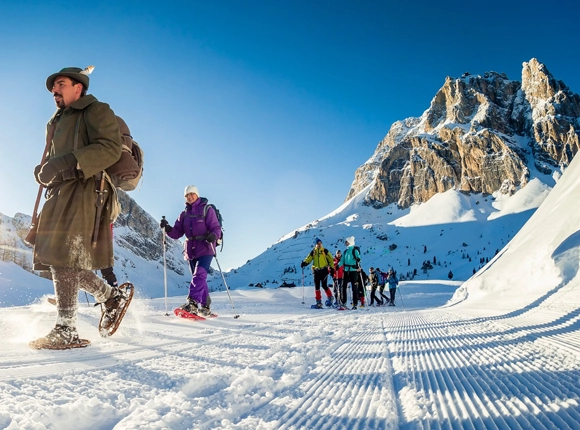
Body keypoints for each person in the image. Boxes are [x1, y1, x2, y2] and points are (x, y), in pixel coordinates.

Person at [30, 66, 128, 350]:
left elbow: (110, 148)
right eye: (52, 89)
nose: (54, 91)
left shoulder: (95, 109)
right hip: (61, 191)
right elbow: (56, 159)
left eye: (60, 84)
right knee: (58, 257)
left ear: (78, 87)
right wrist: (45, 170)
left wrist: (63, 163)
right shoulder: (57, 121)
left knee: (63, 255)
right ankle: (110, 298)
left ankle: (66, 329)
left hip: (87, 189)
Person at [160, 185, 221, 316]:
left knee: (199, 274)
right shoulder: (184, 214)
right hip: (191, 250)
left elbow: (216, 227)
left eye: (192, 194)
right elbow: (177, 233)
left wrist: (214, 235)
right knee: (198, 277)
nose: (190, 197)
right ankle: (205, 306)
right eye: (187, 195)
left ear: (197, 195)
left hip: (206, 246)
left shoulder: (207, 209)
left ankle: (192, 302)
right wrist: (168, 228)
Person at [300, 238, 335, 308]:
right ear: (315, 244)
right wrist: (304, 263)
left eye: (320, 243)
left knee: (324, 285)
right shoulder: (313, 252)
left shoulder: (325, 251)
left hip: (324, 270)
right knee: (317, 287)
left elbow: (331, 259)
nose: (319, 245)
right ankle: (318, 303)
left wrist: (332, 268)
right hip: (316, 271)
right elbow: (308, 258)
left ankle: (330, 297)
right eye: (318, 243)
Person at [337, 236, 361, 310]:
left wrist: (358, 259)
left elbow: (359, 259)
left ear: (350, 242)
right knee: (343, 287)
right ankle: (343, 302)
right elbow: (342, 260)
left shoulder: (354, 251)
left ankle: (355, 303)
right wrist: (338, 266)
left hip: (353, 271)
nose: (345, 243)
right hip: (346, 270)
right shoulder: (345, 251)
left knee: (354, 287)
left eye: (347, 242)